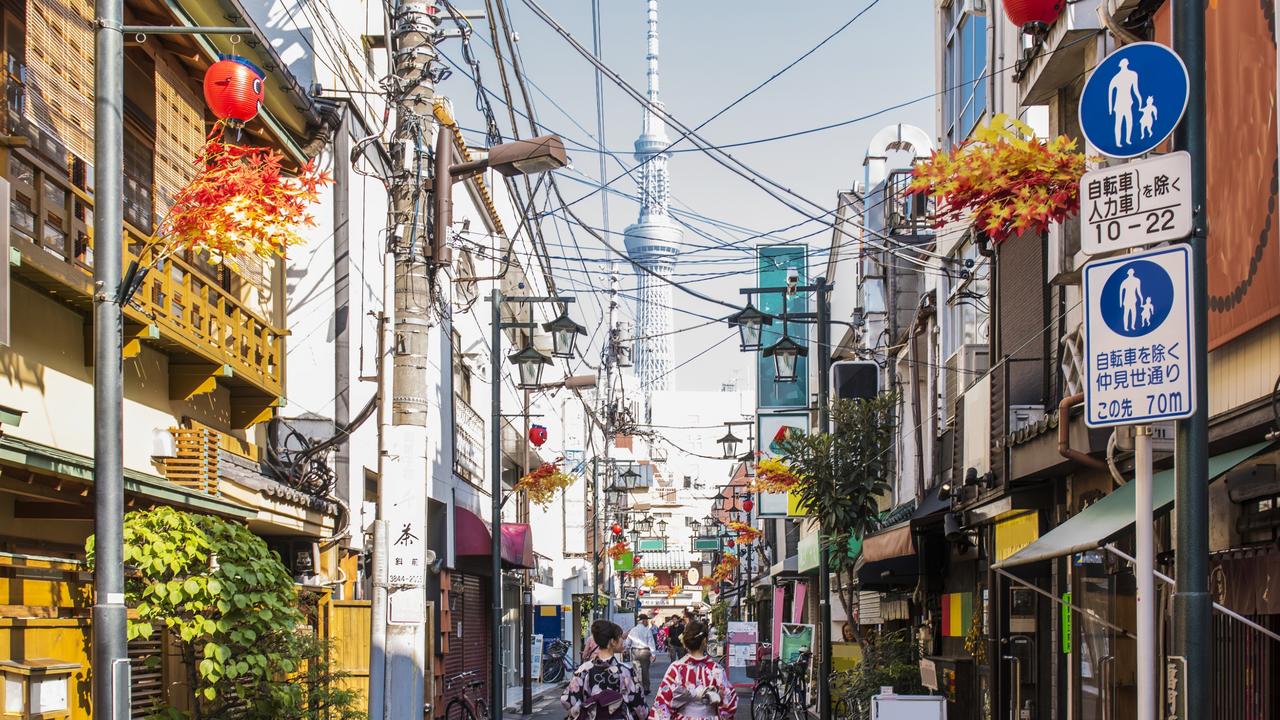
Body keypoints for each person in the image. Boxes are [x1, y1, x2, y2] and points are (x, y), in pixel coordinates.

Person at [648, 620, 738, 720]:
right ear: (704, 641)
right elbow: (729, 704)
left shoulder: (676, 668)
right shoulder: (716, 669)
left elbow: (663, 702)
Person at [563, 620, 649, 720]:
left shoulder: (584, 669)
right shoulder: (625, 671)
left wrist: (585, 712)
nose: (623, 640)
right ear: (612, 641)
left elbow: (566, 700)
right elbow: (638, 704)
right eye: (620, 637)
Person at [626, 613, 658, 694]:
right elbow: (651, 642)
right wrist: (653, 654)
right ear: (643, 621)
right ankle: (646, 688)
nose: (647, 622)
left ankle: (636, 687)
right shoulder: (647, 630)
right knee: (645, 671)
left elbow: (628, 642)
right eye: (646, 620)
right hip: (645, 651)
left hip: (634, 651)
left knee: (636, 670)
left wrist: (626, 649)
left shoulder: (632, 630)